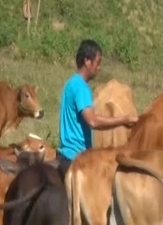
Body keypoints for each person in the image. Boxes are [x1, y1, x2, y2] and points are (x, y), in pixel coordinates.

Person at [56, 39, 138, 175]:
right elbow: (92, 121)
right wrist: (123, 120)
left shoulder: (70, 83)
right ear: (87, 61)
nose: (99, 68)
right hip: (77, 158)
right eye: (98, 62)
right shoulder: (82, 88)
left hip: (64, 154)